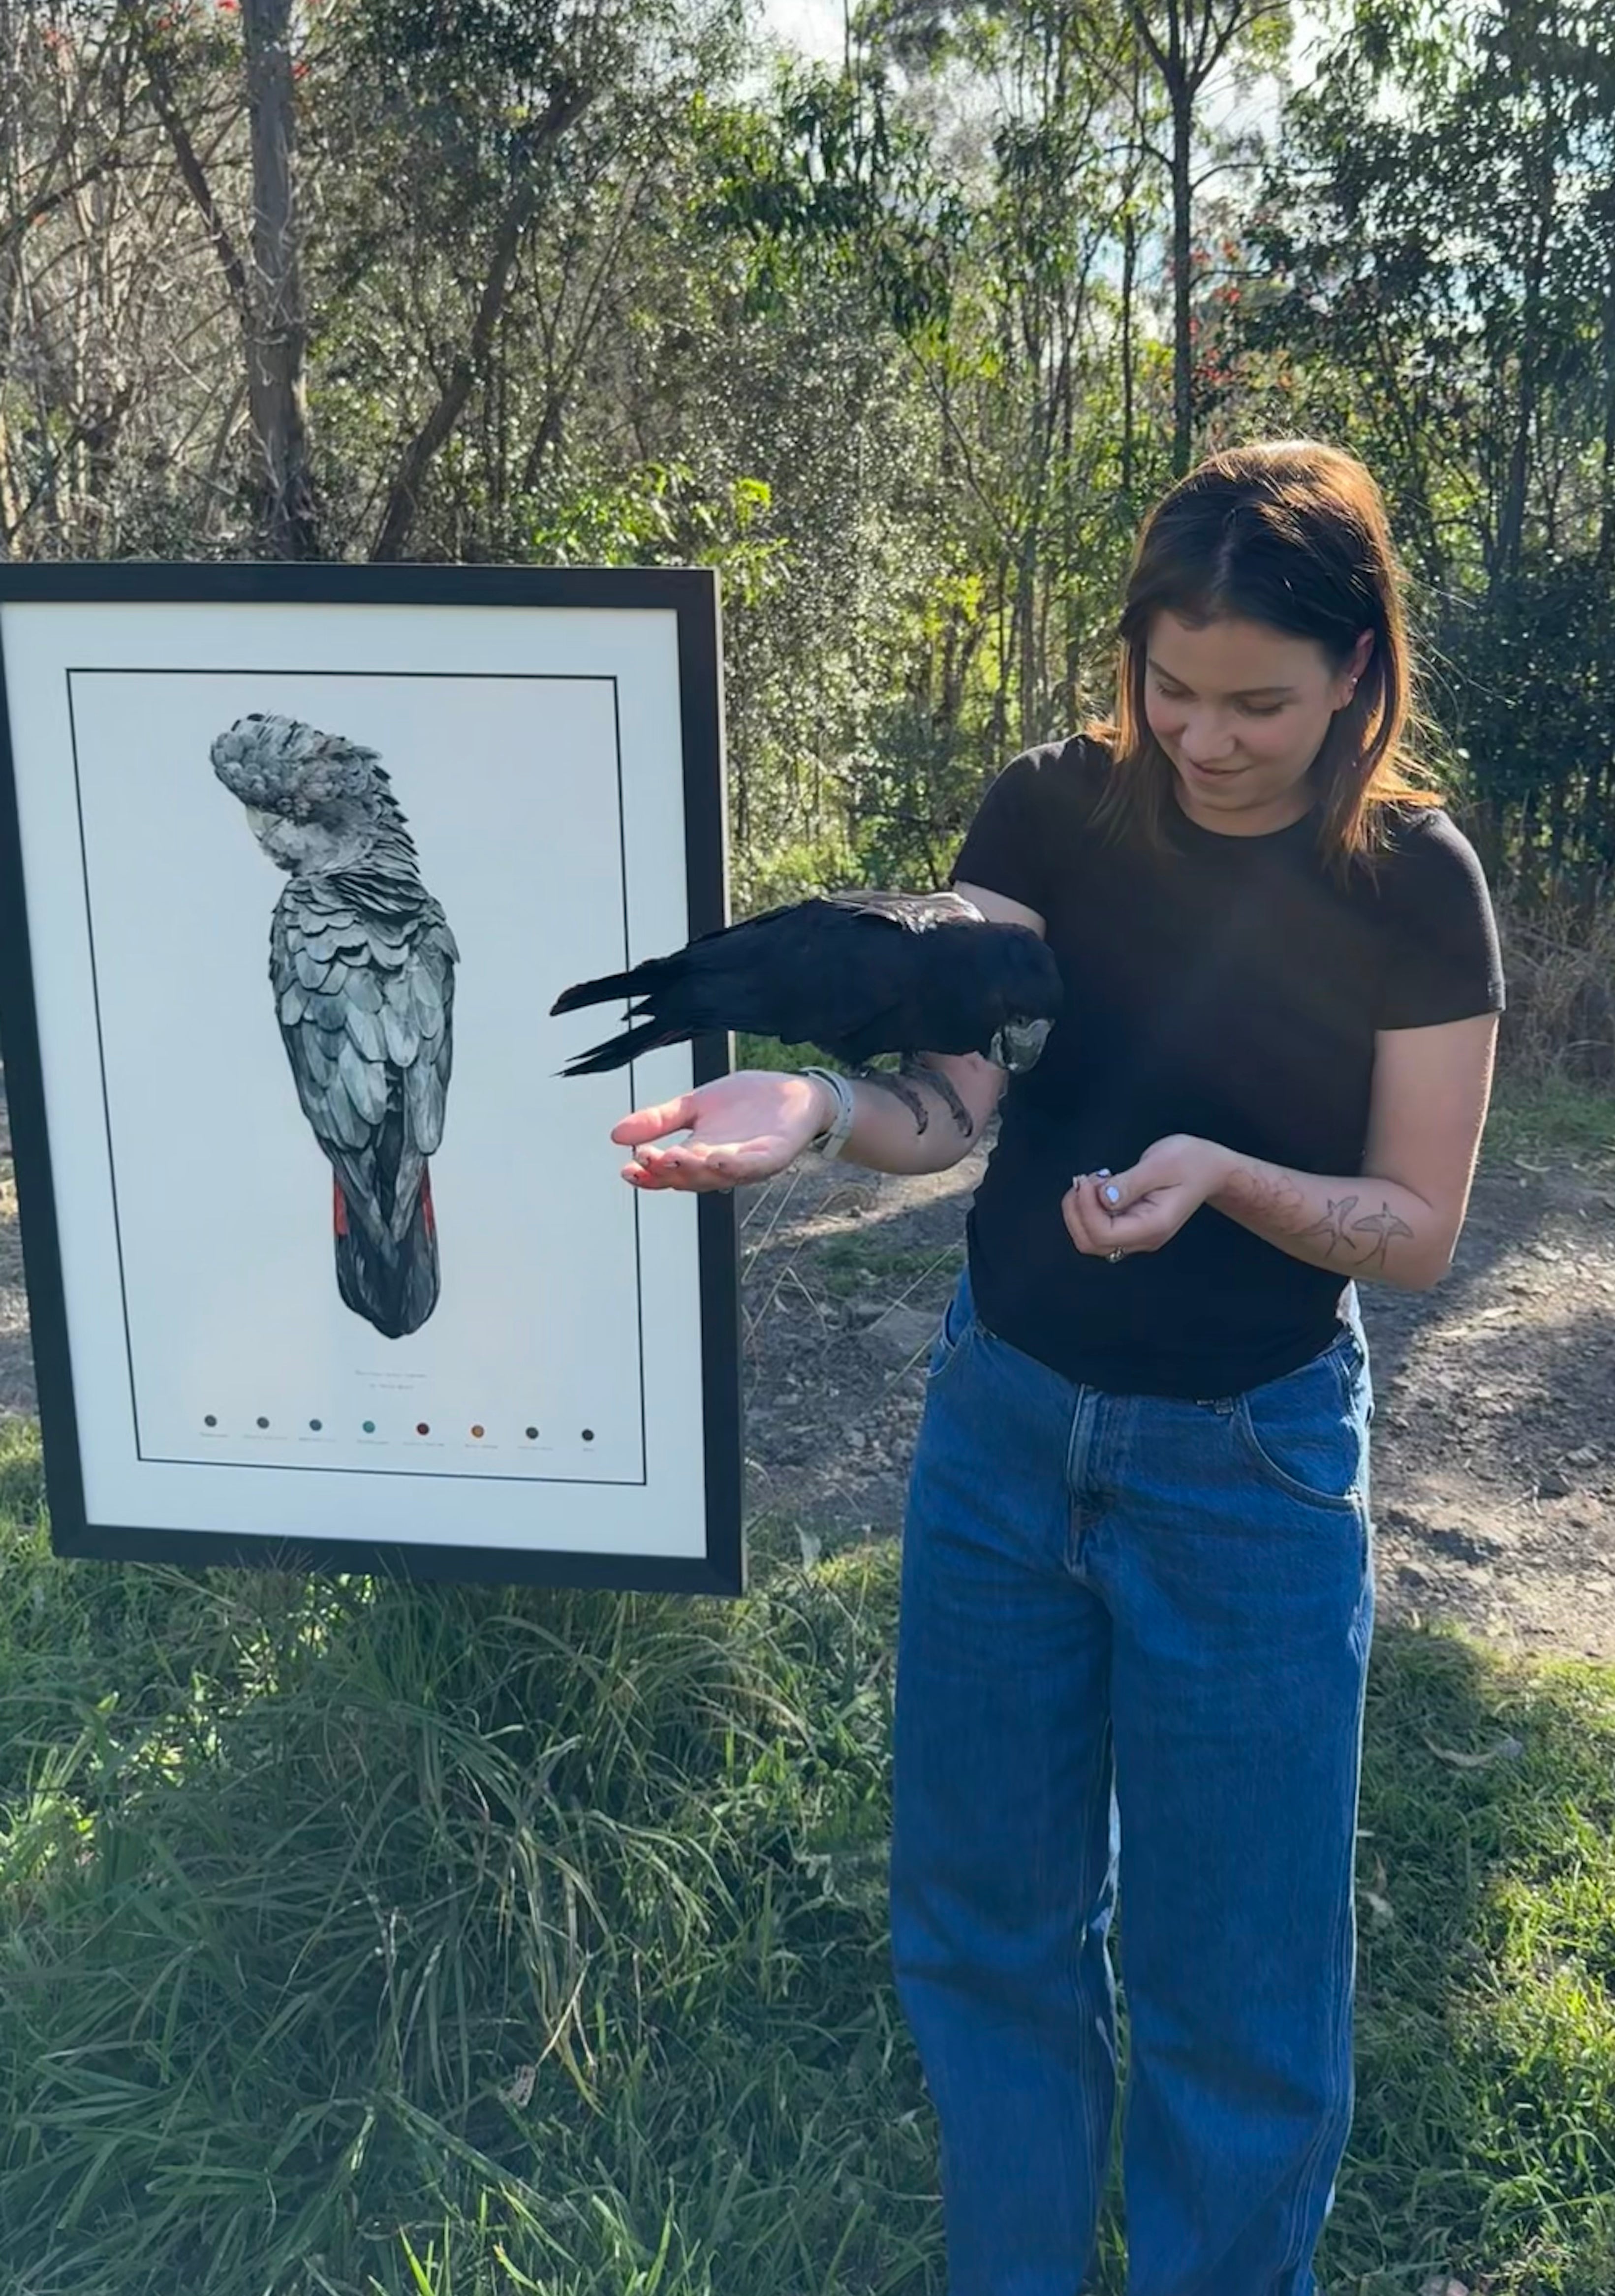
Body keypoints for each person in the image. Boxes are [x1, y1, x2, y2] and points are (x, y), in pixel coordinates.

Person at [608, 439, 1504, 2296]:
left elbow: (1414, 1227)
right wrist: (819, 1106)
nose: (1203, 737)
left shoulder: (1413, 885)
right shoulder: (1041, 818)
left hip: (1248, 1473)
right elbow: (955, 1104)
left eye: (1256, 700)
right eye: (1168, 689)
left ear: (1355, 672)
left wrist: (1230, 1182)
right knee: (981, 1933)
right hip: (1005, 1430)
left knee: (1239, 1998)